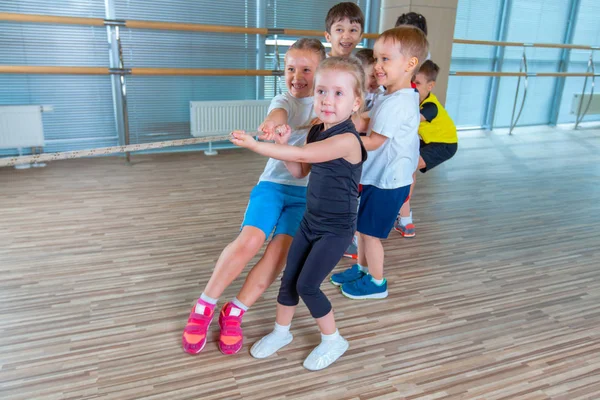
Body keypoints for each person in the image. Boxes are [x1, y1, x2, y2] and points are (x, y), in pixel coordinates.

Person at [181, 39, 326, 355]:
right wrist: (272, 124)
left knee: (278, 256)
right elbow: (278, 113)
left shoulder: (326, 106)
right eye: (290, 68)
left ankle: (234, 311)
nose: (296, 76)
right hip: (273, 186)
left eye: (306, 69)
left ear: (321, 73)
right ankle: (203, 307)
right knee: (249, 241)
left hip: (305, 198)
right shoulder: (284, 99)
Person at [230, 56, 367, 371]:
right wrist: (281, 142)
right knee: (289, 278)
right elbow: (301, 167)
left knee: (308, 285)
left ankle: (334, 339)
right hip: (311, 220)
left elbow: (303, 154)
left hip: (336, 229)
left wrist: (257, 146)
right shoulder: (318, 129)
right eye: (321, 91)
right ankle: (281, 332)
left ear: (356, 101)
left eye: (338, 93)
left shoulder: (347, 140)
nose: (326, 100)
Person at [330, 26, 429, 299]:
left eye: (385, 59)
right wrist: (332, 122)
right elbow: (365, 120)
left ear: (410, 64)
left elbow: (374, 140)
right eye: (376, 59)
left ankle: (376, 282)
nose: (377, 66)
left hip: (388, 182)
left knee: (370, 234)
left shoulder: (398, 102)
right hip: (377, 177)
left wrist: (338, 143)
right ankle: (361, 268)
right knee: (362, 229)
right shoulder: (389, 95)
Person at [394, 60, 458, 236]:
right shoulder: (415, 98)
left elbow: (410, 120)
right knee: (406, 168)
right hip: (427, 141)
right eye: (411, 80)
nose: (413, 85)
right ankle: (403, 213)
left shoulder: (431, 107)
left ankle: (404, 213)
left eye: (418, 83)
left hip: (444, 145)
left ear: (430, 86)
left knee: (407, 169)